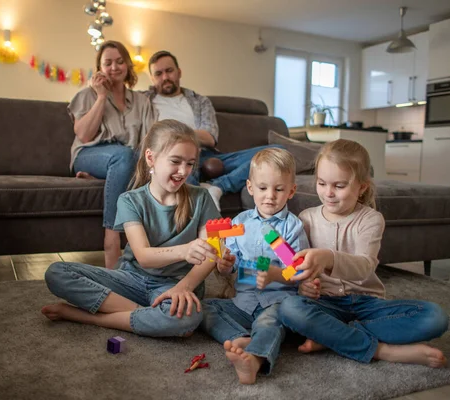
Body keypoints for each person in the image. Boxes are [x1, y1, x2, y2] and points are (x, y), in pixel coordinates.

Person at [42, 120, 234, 337]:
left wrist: (186, 286)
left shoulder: (201, 198)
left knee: (188, 316)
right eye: (175, 161)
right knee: (57, 272)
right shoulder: (129, 200)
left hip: (177, 284)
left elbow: (211, 253)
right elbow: (143, 256)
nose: (183, 171)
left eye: (190, 163)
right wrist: (183, 250)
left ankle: (87, 316)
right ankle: (151, 316)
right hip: (132, 279)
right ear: (151, 158)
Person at [278, 139, 449, 368]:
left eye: (339, 186)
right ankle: (382, 350)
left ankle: (333, 336)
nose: (328, 193)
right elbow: (295, 265)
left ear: (362, 186)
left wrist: (328, 257)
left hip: (367, 303)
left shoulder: (371, 219)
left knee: (435, 317)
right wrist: (302, 285)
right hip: (324, 303)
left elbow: (365, 267)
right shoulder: (306, 218)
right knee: (289, 309)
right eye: (321, 183)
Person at [200, 148, 310, 384]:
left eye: (279, 189)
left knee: (269, 323)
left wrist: (275, 274)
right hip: (244, 300)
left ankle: (255, 358)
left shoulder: (291, 227)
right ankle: (242, 338)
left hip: (276, 301)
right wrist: (225, 264)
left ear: (291, 191)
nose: (270, 195)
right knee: (204, 309)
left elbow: (297, 271)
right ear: (250, 188)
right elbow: (230, 266)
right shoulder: (241, 223)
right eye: (262, 188)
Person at [145, 50, 282, 211]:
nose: (165, 77)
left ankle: (217, 187)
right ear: (152, 78)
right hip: (174, 158)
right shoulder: (144, 102)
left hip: (208, 155)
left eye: (169, 71)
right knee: (184, 168)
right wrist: (183, 142)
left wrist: (173, 134)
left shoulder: (200, 101)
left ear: (179, 72)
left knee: (277, 152)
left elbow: (209, 137)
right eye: (158, 73)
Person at [68, 40, 156, 269]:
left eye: (119, 61)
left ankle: (109, 178)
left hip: (126, 159)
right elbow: (84, 135)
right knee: (124, 157)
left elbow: (149, 141)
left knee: (131, 159)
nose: (114, 67)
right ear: (100, 67)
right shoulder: (87, 95)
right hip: (90, 154)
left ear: (127, 64)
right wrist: (100, 96)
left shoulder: (142, 101)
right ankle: (112, 236)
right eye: (108, 63)